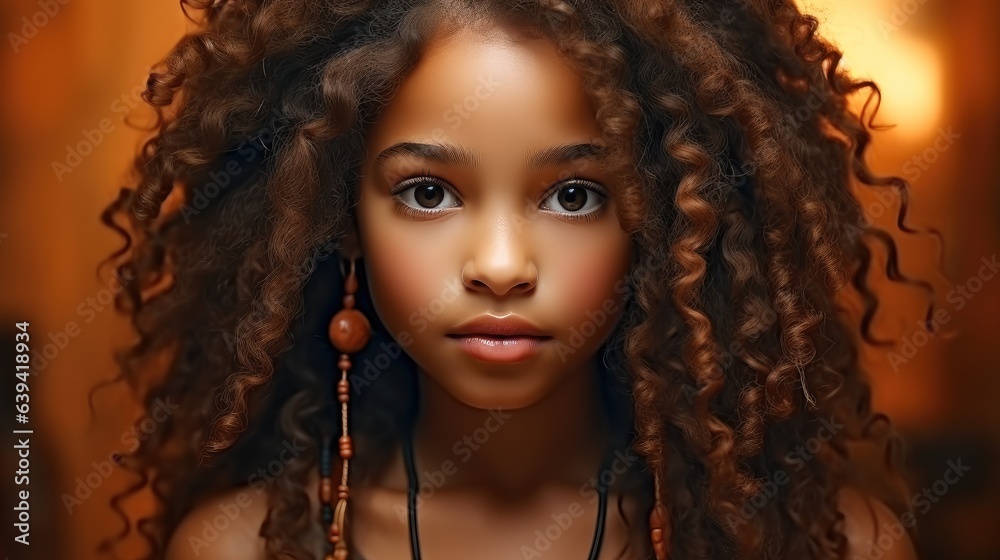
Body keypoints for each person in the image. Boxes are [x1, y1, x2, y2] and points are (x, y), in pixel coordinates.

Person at [97, 1, 932, 558]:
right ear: (341, 219)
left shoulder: (836, 546)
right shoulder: (244, 549)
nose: (500, 266)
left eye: (574, 195)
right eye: (428, 192)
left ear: (667, 224)